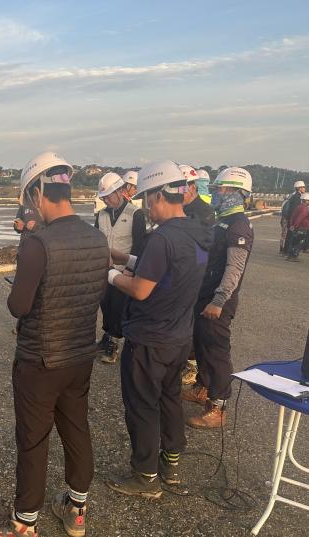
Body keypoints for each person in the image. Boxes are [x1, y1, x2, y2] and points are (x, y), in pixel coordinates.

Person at [0, 152, 109, 537]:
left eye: (28, 196)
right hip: (80, 354)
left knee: (33, 440)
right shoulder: (97, 238)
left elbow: (18, 306)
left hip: (40, 359)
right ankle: (77, 509)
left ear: (38, 192)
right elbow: (97, 293)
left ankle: (24, 524)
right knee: (76, 428)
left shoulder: (38, 243)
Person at [105, 160, 210, 498]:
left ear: (158, 196)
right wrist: (121, 257)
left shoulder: (162, 238)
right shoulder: (195, 232)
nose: (147, 207)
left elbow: (140, 289)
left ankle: (145, 476)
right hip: (179, 336)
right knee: (169, 399)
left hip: (150, 339)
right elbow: (169, 269)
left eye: (147, 199)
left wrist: (109, 274)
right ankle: (171, 464)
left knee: (142, 405)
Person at [184, 168, 254, 428]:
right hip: (204, 294)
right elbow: (205, 256)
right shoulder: (221, 221)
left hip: (218, 301)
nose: (216, 193)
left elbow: (234, 269)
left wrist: (219, 301)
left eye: (221, 189)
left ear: (238, 193)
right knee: (201, 344)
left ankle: (219, 405)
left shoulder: (238, 226)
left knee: (216, 351)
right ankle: (203, 387)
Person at [94, 172, 146, 364]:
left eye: (108, 196)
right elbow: (97, 240)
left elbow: (139, 244)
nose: (106, 200)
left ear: (119, 191)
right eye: (103, 198)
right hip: (104, 269)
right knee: (105, 305)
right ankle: (107, 336)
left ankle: (114, 344)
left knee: (118, 307)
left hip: (124, 270)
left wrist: (130, 270)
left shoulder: (135, 214)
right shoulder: (101, 215)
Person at [179, 165, 216, 385]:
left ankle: (192, 367)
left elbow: (203, 250)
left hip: (195, 276)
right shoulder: (181, 208)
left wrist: (195, 274)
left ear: (192, 187)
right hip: (179, 273)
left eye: (181, 188)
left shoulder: (203, 211)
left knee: (192, 322)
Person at [281, 180, 305, 255]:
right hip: (291, 219)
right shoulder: (297, 197)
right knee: (290, 235)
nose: (304, 189)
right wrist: (293, 222)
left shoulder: (293, 195)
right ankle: (286, 251)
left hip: (288, 218)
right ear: (299, 188)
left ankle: (284, 250)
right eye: (303, 187)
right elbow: (294, 210)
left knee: (288, 235)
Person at [286, 192, 309, 261]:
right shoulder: (305, 209)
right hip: (302, 227)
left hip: (296, 227)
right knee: (298, 242)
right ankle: (293, 256)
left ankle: (290, 255)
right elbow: (300, 218)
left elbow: (293, 217)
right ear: (306, 200)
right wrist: (295, 226)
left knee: (294, 241)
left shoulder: (298, 207)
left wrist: (292, 225)